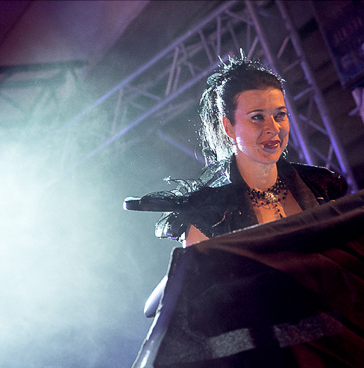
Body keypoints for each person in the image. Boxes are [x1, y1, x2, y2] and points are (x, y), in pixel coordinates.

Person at [124, 53, 347, 247]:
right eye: (257, 117)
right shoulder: (207, 215)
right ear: (228, 127)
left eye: (280, 115)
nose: (273, 128)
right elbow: (201, 293)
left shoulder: (322, 186)